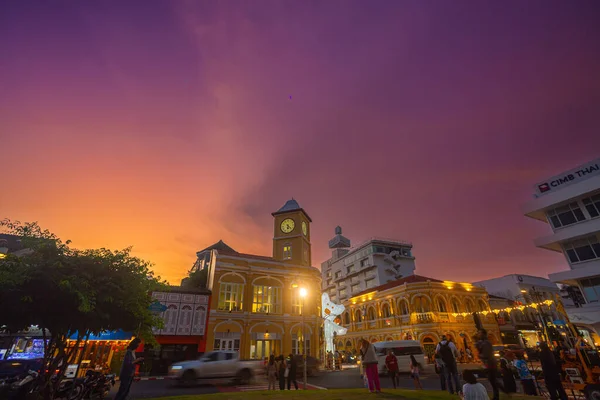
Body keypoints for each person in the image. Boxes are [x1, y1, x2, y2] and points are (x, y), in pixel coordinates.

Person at [475, 329, 505, 400]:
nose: (478, 334)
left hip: (491, 363)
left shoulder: (486, 343)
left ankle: (502, 392)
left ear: (484, 334)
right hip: (489, 363)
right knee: (492, 380)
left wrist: (480, 356)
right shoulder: (483, 342)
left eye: (480, 333)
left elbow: (486, 354)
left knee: (493, 380)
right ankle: (500, 393)